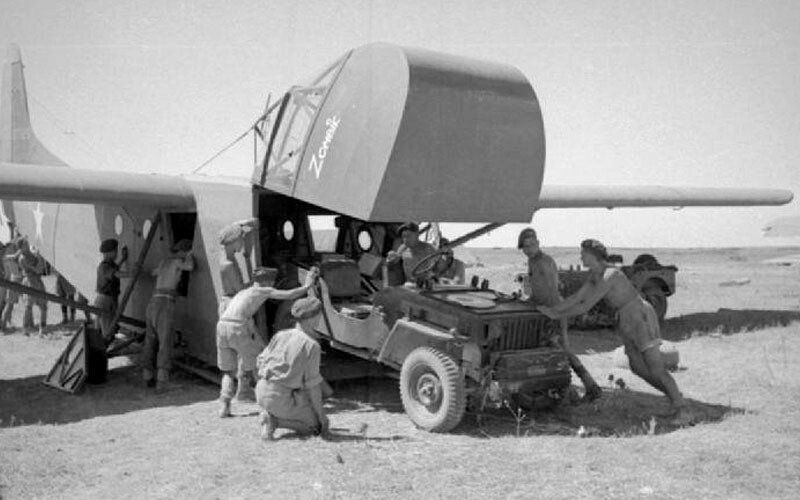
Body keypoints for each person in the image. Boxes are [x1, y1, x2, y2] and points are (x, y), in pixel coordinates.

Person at [537, 239, 692, 425]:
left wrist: (555, 314)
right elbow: (576, 297)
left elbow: (585, 305)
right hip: (626, 319)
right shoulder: (596, 274)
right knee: (637, 367)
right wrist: (554, 309)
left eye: (583, 253)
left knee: (655, 367)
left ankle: (681, 409)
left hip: (639, 316)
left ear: (593, 256)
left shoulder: (611, 275)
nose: (580, 256)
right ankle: (675, 398)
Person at [216, 265, 319, 418]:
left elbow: (241, 317)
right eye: (272, 282)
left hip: (222, 326)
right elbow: (290, 295)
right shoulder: (262, 290)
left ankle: (224, 406)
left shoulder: (243, 292)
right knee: (259, 366)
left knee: (228, 372)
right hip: (237, 327)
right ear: (268, 281)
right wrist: (307, 285)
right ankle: (268, 407)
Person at [517, 228, 601, 401]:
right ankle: (589, 386)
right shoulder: (534, 261)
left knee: (558, 351)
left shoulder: (543, 261)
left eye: (532, 245)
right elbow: (539, 289)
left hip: (552, 311)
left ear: (538, 244)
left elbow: (550, 289)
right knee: (563, 350)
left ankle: (574, 392)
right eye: (525, 246)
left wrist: (547, 309)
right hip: (549, 309)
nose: (529, 249)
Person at [256, 296, 329, 441]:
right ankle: (275, 421)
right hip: (282, 397)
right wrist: (322, 416)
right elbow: (313, 386)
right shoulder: (312, 345)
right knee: (315, 427)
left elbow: (260, 361)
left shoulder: (280, 335)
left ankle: (270, 412)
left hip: (261, 390)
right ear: (314, 317)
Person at [141, 239, 195, 390]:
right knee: (165, 342)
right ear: (183, 251)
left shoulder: (164, 262)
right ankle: (162, 381)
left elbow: (153, 273)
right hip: (166, 303)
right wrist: (191, 255)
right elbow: (190, 267)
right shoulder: (178, 261)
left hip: (153, 302)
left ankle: (147, 376)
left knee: (150, 341)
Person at [217, 218, 261, 401]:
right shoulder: (228, 264)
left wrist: (243, 226)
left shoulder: (226, 258)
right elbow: (241, 290)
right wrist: (256, 281)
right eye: (240, 240)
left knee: (229, 366)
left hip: (226, 309)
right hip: (234, 308)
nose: (242, 243)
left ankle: (226, 399)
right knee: (248, 350)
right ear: (233, 241)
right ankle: (246, 390)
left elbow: (252, 222)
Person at [93, 238, 129, 343]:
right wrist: (133, 273)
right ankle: (103, 350)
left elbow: (116, 268)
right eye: (116, 251)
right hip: (106, 301)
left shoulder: (109, 265)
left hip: (105, 299)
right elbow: (116, 274)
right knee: (107, 331)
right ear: (110, 252)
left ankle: (100, 348)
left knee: (101, 329)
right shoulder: (104, 267)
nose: (117, 253)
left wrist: (123, 259)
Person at [18, 239, 47, 337]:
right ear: (21, 247)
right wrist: (39, 257)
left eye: (27, 243)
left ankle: (42, 329)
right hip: (29, 282)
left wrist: (39, 257)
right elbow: (37, 269)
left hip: (37, 281)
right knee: (28, 307)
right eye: (25, 244)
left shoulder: (32, 254)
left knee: (43, 307)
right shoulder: (22, 258)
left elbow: (41, 268)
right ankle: (25, 329)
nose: (27, 244)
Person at [0, 239, 22, 333]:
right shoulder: (6, 256)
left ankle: (5, 323)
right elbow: (15, 255)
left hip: (7, 281)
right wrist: (22, 248)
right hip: (8, 282)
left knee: (5, 304)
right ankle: (3, 325)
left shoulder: (5, 256)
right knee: (6, 304)